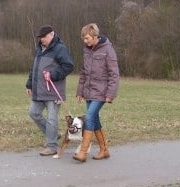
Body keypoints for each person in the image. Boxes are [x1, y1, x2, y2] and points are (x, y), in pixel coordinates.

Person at [74, 23, 120, 162]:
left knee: (88, 117)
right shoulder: (87, 50)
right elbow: (83, 72)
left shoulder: (108, 49)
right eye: (83, 38)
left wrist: (110, 94)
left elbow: (114, 74)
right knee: (94, 119)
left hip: (101, 92)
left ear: (95, 36)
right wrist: (80, 91)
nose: (85, 41)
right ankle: (104, 150)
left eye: (87, 38)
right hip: (89, 91)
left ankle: (83, 152)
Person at [26, 25, 74, 156]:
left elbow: (69, 66)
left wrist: (53, 74)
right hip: (39, 90)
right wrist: (29, 84)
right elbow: (34, 69)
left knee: (52, 119)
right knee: (33, 113)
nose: (42, 39)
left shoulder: (60, 49)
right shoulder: (39, 50)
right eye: (40, 37)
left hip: (54, 91)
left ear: (52, 34)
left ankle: (52, 146)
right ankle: (53, 134)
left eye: (44, 37)